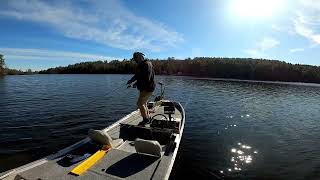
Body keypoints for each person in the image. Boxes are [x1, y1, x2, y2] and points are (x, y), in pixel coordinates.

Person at [127, 52, 155, 125]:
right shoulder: (142, 65)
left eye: (136, 59)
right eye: (135, 59)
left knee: (139, 103)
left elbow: (146, 78)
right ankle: (147, 118)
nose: (135, 60)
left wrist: (135, 83)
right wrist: (131, 81)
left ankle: (145, 119)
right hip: (144, 88)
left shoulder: (146, 64)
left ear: (140, 57)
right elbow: (138, 75)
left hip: (147, 88)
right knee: (144, 103)